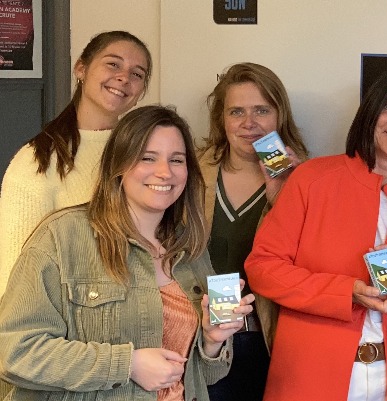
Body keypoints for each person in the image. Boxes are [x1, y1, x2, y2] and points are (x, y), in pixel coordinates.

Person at [245, 68, 387, 401]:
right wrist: (346, 292)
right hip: (310, 379)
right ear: (370, 112)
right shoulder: (311, 179)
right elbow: (263, 268)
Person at [0, 105, 253, 400]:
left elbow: (206, 376)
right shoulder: (61, 236)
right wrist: (127, 365)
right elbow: (14, 353)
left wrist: (212, 342)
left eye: (176, 159)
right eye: (147, 157)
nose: (165, 172)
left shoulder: (191, 248)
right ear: (118, 164)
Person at [0, 31, 152, 298]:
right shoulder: (37, 159)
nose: (124, 78)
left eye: (137, 74)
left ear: (140, 92)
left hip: (140, 306)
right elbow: (16, 272)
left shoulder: (145, 152)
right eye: (113, 64)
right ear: (81, 69)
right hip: (68, 314)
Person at [199, 62, 309, 401]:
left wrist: (283, 198)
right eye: (237, 111)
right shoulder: (190, 171)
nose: (249, 123)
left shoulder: (307, 180)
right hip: (206, 340)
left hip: (270, 340)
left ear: (280, 116)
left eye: (261, 110)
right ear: (221, 119)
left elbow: (312, 267)